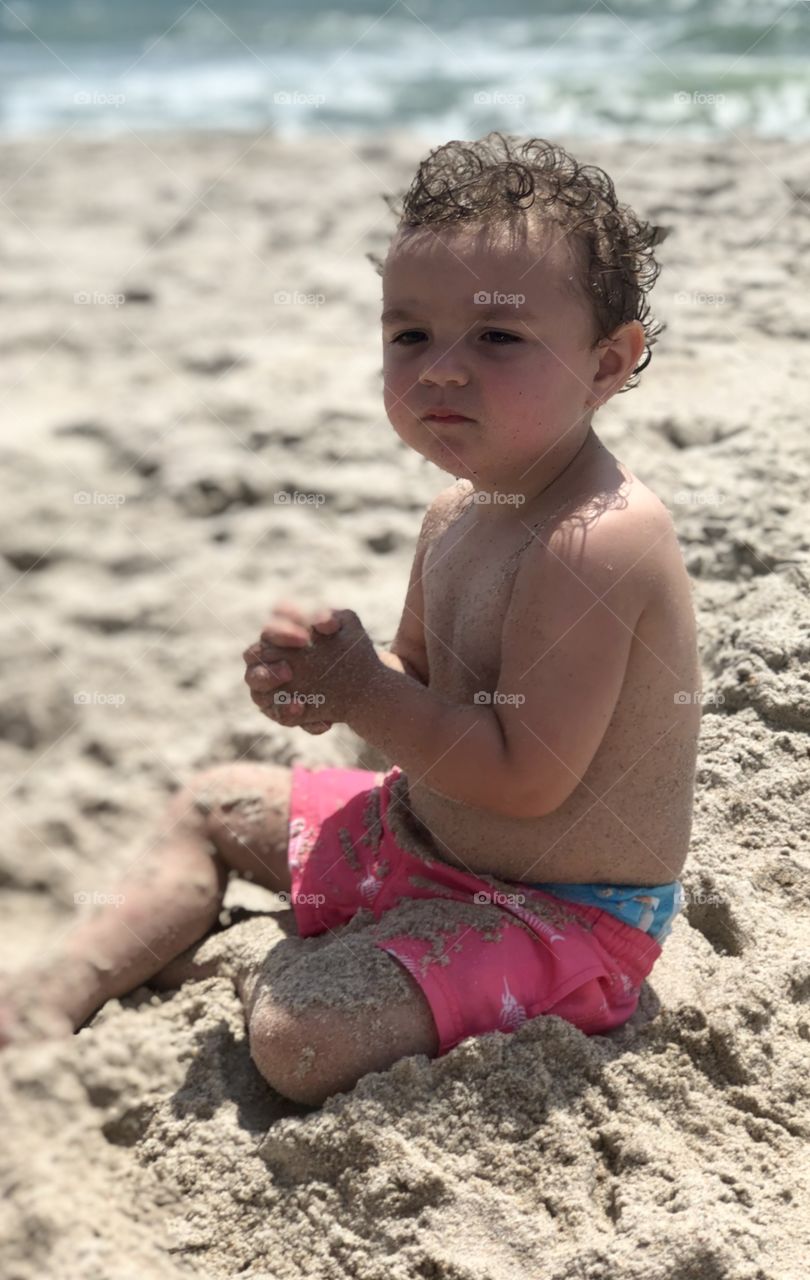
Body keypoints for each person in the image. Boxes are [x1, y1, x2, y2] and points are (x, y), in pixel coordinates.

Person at [0, 133, 700, 1106]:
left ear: (607, 363)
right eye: (410, 335)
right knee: (213, 803)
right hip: (422, 836)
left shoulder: (597, 539)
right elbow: (414, 702)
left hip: (559, 911)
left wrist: (367, 689)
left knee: (300, 1035)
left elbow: (525, 778)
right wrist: (324, 689)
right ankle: (48, 994)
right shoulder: (459, 511)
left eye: (497, 336)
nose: (442, 369)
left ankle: (265, 966)